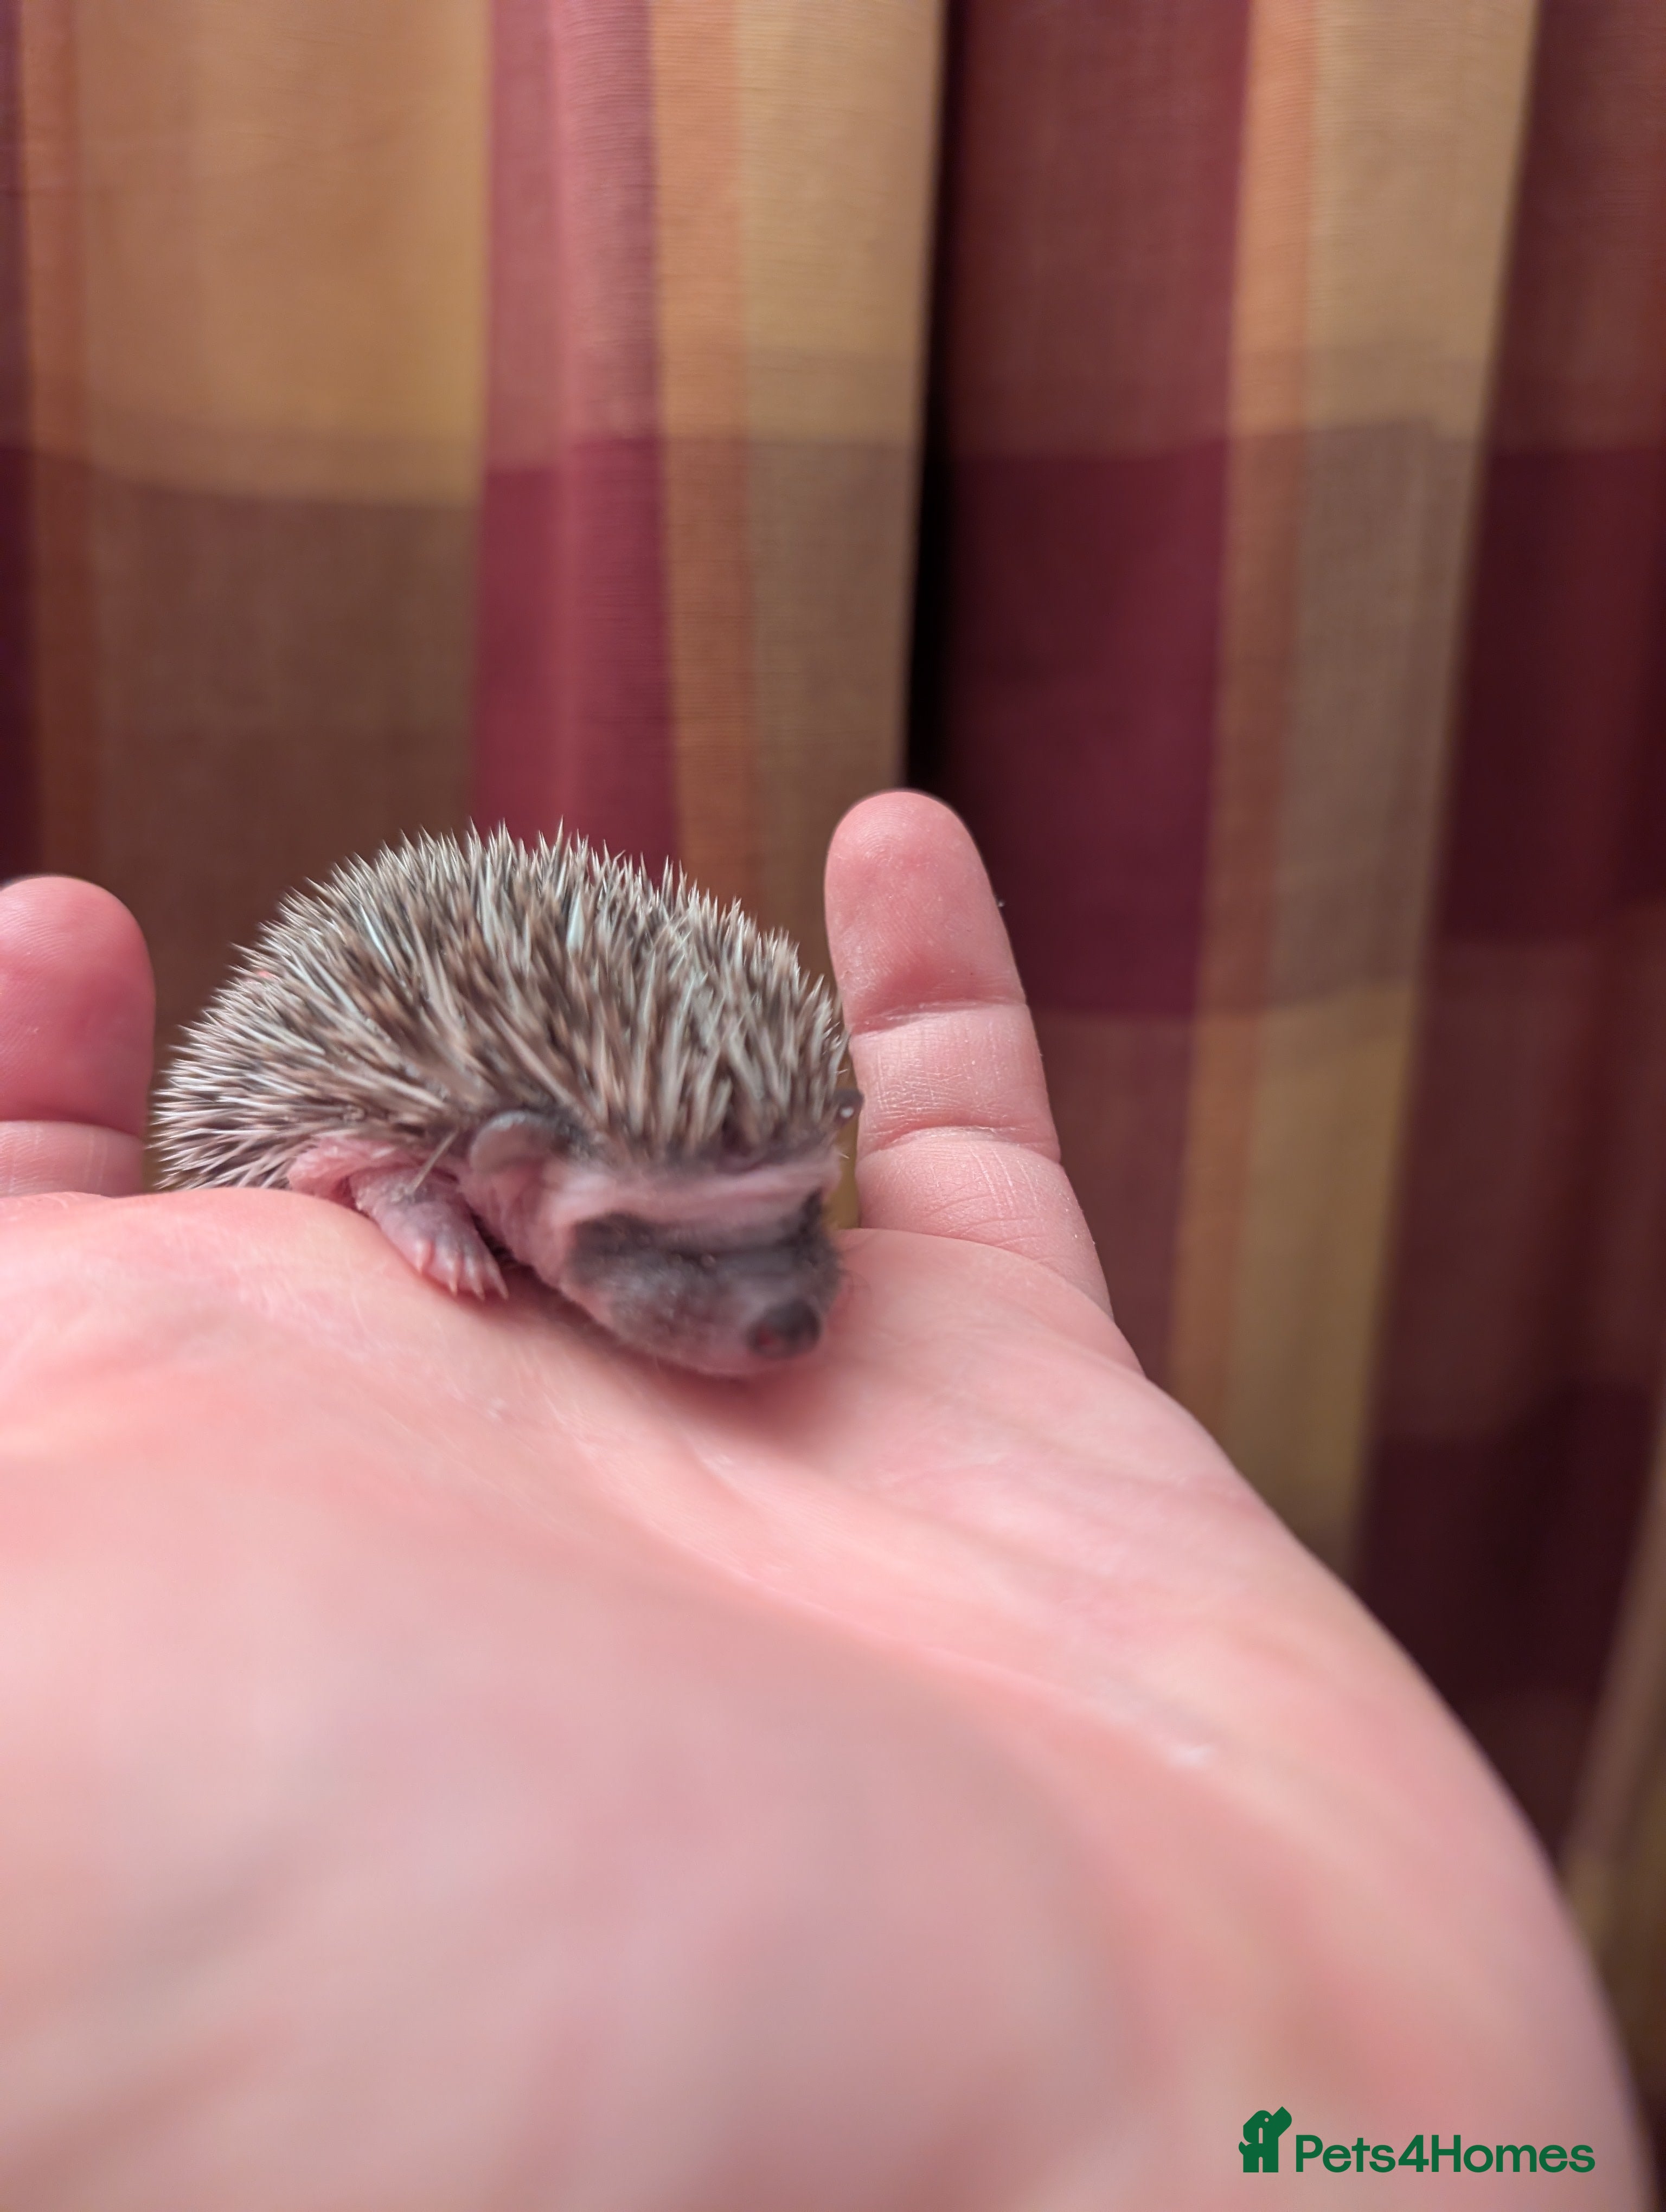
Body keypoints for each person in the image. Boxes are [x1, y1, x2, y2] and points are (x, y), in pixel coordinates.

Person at [0, 793, 1646, 2207]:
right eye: (671, 1250)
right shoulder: (394, 1143)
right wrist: (391, 1201)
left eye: (793, 1234)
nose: (780, 1313)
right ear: (498, 1166)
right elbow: (289, 1148)